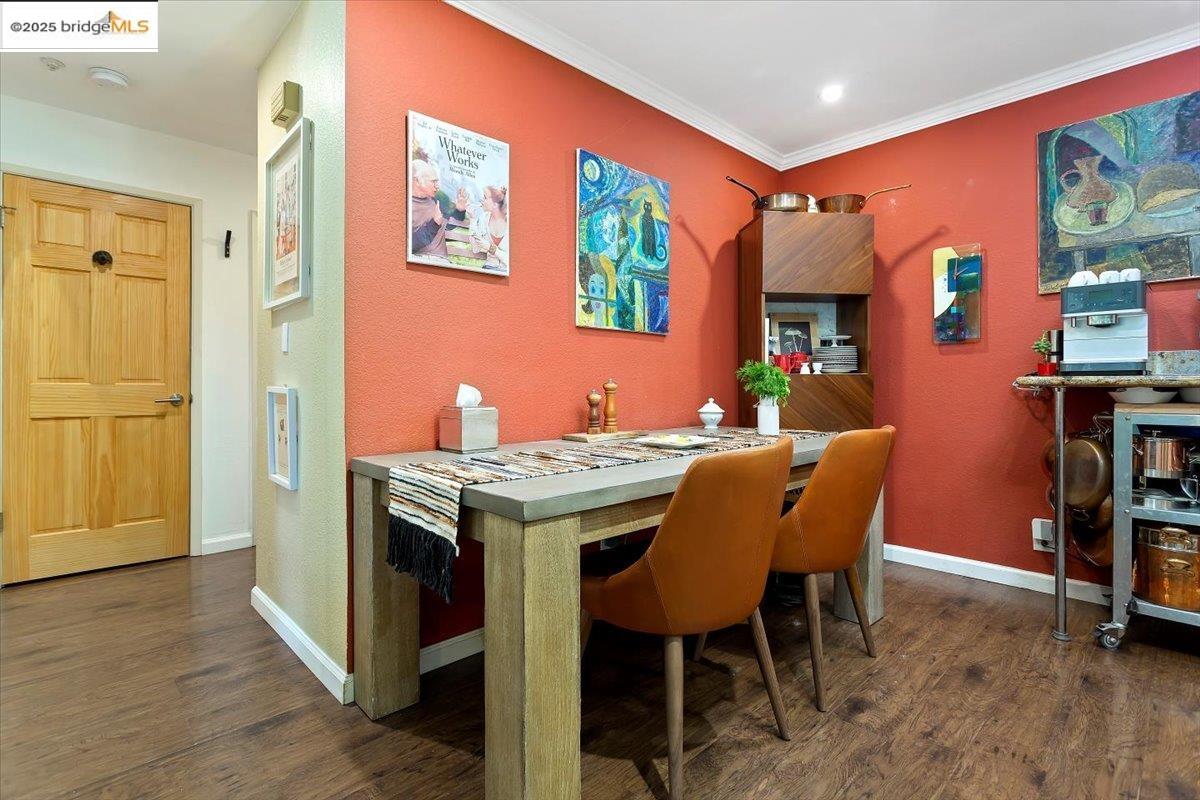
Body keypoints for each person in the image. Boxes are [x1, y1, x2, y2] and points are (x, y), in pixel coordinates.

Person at [410, 159, 467, 257]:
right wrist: (435, 223)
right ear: (417, 181)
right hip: (422, 260)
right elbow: (411, 244)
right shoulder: (408, 205)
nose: (437, 186)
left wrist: (460, 210)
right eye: (433, 181)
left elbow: (448, 226)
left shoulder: (438, 197)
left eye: (437, 181)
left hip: (443, 262)